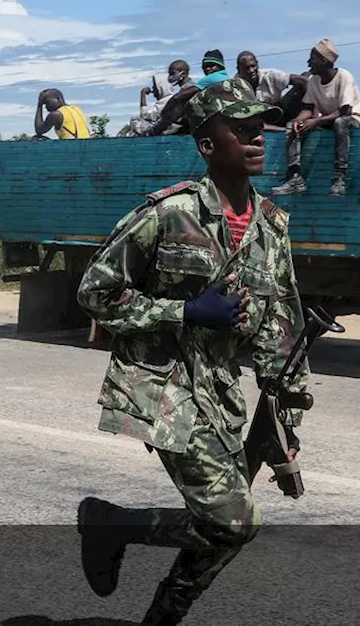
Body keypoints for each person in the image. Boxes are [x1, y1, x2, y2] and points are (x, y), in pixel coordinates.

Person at [74, 77, 311, 626]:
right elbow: (96, 292)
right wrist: (182, 311)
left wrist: (286, 428)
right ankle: (114, 526)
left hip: (222, 397)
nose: (258, 139)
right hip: (164, 390)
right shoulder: (169, 213)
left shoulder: (272, 228)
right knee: (235, 520)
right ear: (208, 144)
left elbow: (282, 330)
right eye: (242, 129)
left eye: (261, 129)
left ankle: (158, 615)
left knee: (220, 529)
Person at [272, 38, 360, 197]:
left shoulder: (344, 77)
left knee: (340, 122)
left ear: (324, 61)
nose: (308, 62)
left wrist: (316, 121)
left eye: (313, 58)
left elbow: (345, 111)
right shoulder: (314, 81)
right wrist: (299, 121)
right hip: (327, 120)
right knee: (293, 125)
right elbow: (309, 109)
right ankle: (295, 177)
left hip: (352, 119)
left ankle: (339, 178)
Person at [120, 61, 195, 137]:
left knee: (135, 122)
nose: (170, 76)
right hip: (178, 126)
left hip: (178, 128)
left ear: (183, 74)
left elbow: (173, 117)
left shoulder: (187, 90)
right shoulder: (184, 90)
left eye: (172, 73)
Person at [235, 51, 307, 128]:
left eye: (253, 66)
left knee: (305, 76)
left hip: (281, 110)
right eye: (247, 68)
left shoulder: (270, 75)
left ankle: (303, 117)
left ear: (257, 64)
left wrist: (312, 111)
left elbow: (304, 81)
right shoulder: (236, 87)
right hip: (258, 119)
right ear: (239, 69)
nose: (251, 70)